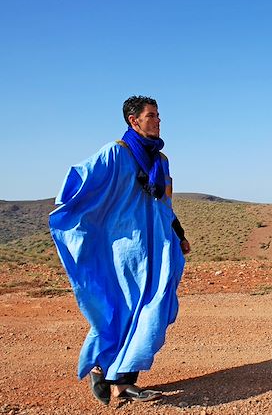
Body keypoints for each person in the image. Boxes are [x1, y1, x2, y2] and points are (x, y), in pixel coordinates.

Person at [49, 95, 191, 405]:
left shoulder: (161, 161)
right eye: (151, 115)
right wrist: (71, 203)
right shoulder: (116, 153)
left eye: (158, 115)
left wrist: (179, 233)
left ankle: (119, 377)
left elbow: (165, 204)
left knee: (156, 308)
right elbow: (83, 176)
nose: (157, 120)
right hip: (126, 250)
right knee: (125, 309)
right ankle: (110, 373)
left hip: (159, 248)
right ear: (134, 120)